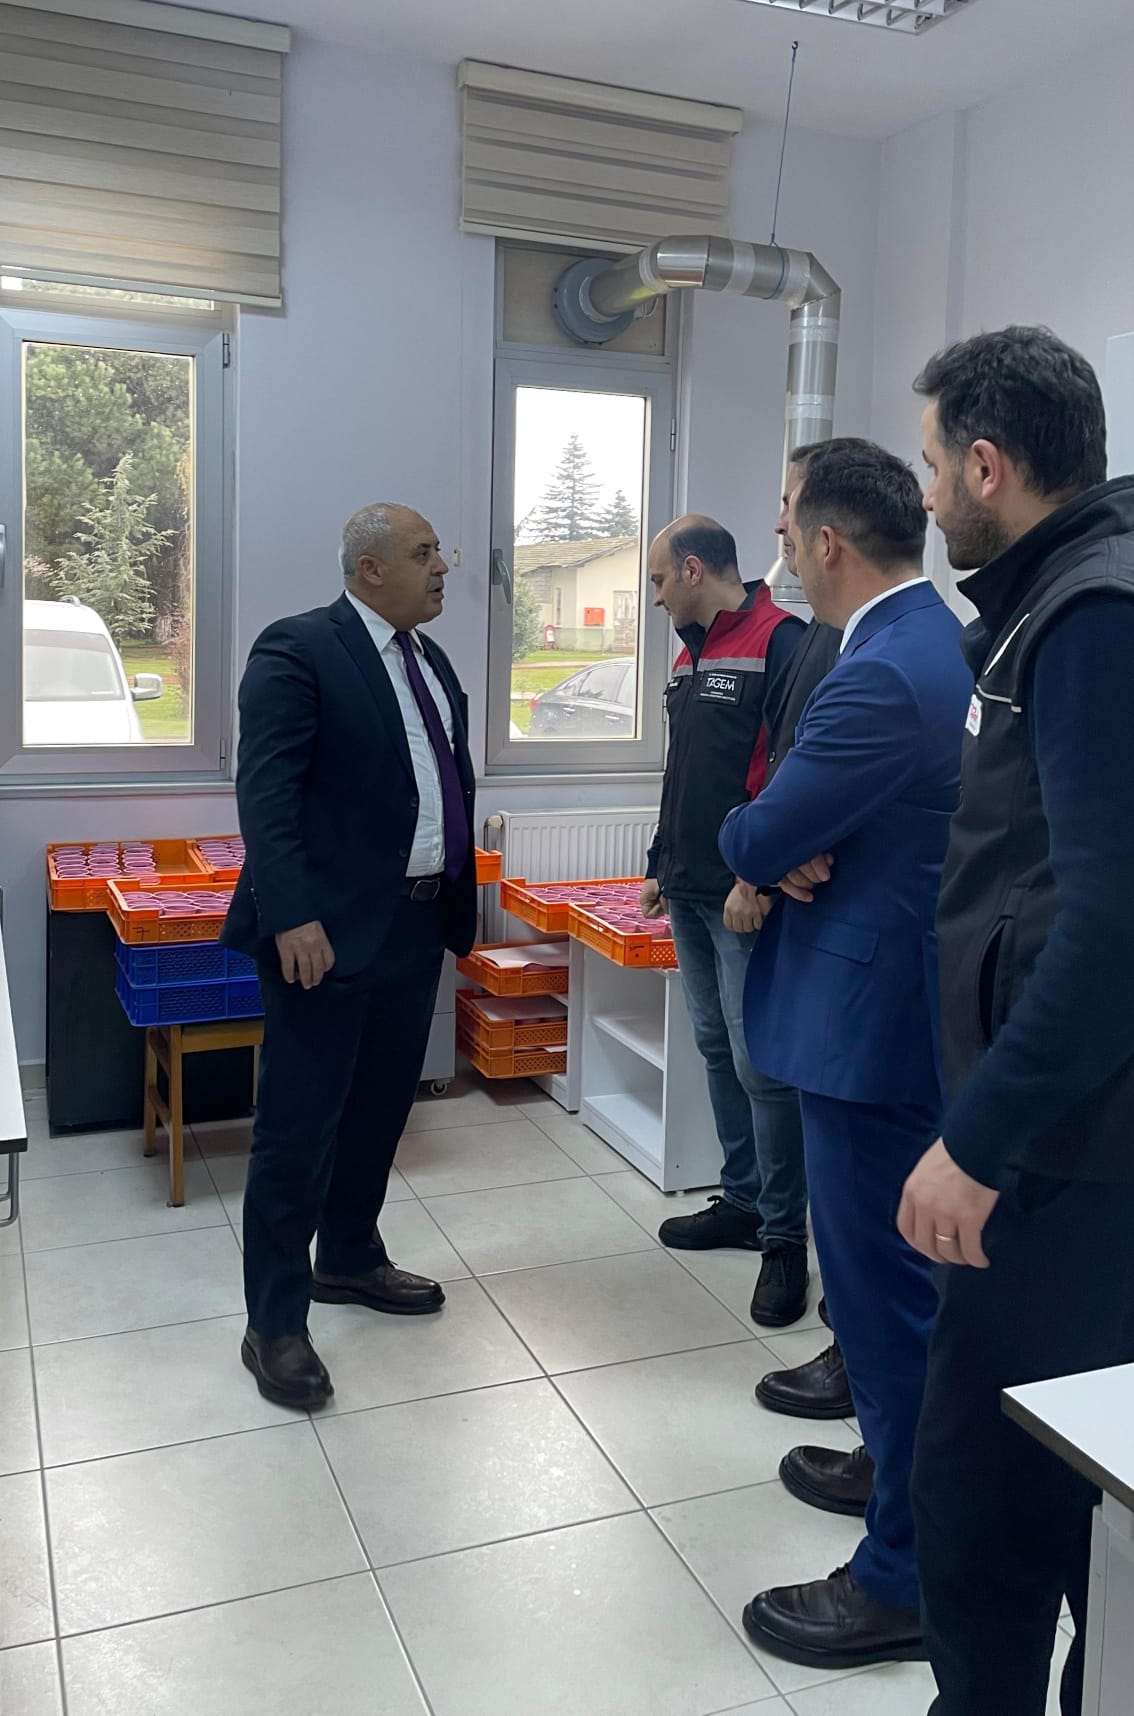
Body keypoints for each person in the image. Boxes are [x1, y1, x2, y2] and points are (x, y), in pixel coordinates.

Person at [903, 327, 1134, 1716]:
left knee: (983, 1507)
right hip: (1067, 1143)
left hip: (1064, 1161)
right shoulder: (1055, 600)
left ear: (987, 467)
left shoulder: (1092, 616)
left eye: (934, 465)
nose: (928, 492)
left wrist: (976, 1139)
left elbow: (1112, 922)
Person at [719, 439, 972, 1670]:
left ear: (826, 541)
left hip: (868, 1030)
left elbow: (759, 833)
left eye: (785, 516)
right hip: (902, 1007)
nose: (776, 536)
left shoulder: (881, 669)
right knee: (891, 1298)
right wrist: (791, 843)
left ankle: (902, 1575)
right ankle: (890, 1466)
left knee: (883, 1304)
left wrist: (763, 841)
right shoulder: (938, 639)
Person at [222, 504, 478, 1411]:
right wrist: (290, 914)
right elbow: (266, 793)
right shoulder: (299, 649)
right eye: (423, 552)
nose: (441, 566)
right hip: (323, 937)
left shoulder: (429, 660)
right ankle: (274, 1323)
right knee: (299, 1129)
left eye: (439, 551)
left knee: (379, 1110)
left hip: (414, 924)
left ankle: (351, 1257)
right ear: (370, 569)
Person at [641, 515, 809, 1326]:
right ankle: (741, 1200)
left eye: (658, 580)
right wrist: (659, 860)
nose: (655, 597)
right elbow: (683, 771)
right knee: (714, 1045)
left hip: (745, 893)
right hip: (690, 885)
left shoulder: (783, 642)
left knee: (760, 1064)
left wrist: (758, 875)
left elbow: (792, 769)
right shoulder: (689, 654)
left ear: (694, 570)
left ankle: (785, 1239)